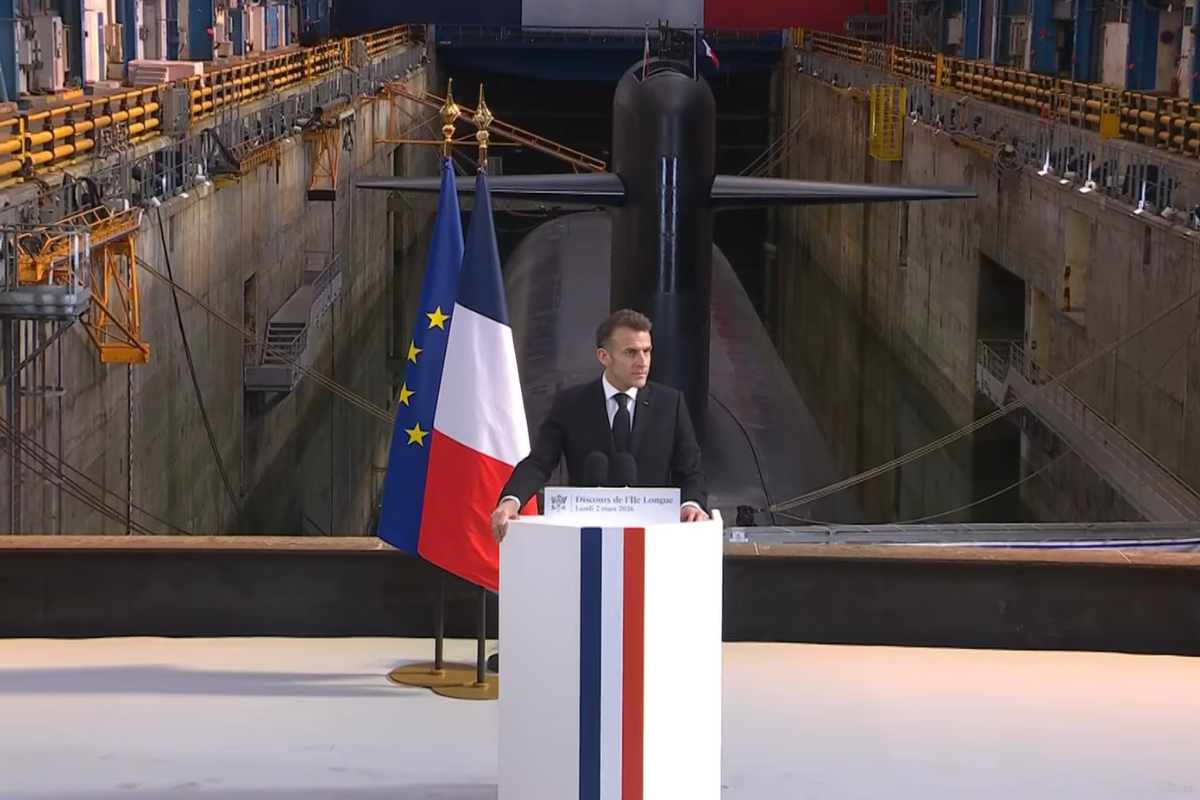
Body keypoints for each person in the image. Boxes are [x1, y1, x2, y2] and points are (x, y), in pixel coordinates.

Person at [490, 308, 709, 544]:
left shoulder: (670, 404)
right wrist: (511, 500)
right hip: (586, 542)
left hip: (653, 541)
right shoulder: (572, 404)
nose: (642, 362)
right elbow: (539, 462)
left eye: (647, 351)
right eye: (631, 352)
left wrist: (692, 504)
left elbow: (689, 471)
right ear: (604, 357)